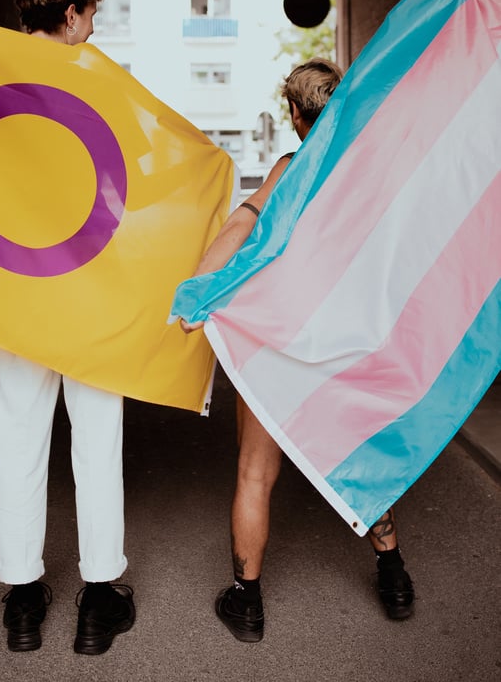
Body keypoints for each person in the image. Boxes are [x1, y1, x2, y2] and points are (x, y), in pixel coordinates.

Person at [180, 57, 415, 642]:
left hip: (281, 343)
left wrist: (195, 294)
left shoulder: (290, 170)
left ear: (293, 114)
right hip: (348, 343)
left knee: (255, 474)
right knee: (364, 462)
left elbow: (239, 228)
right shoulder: (368, 176)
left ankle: (247, 602)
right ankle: (393, 576)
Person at [0, 0, 135, 655]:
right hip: (87, 292)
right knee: (96, 441)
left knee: (16, 442)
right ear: (74, 12)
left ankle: (22, 600)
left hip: (15, 293)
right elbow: (135, 184)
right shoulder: (100, 84)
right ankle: (97, 600)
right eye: (90, 17)